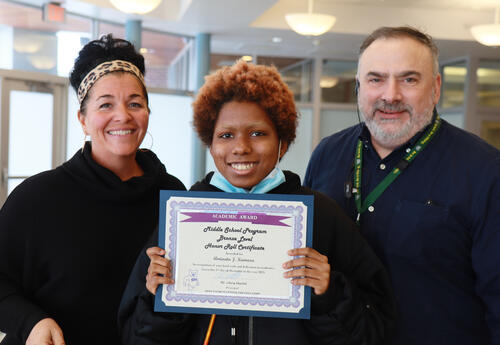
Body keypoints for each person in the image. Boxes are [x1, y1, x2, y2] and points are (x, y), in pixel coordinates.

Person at [118, 60, 396, 345]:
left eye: (258, 133)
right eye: (226, 135)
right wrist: (157, 298)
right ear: (210, 144)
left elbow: (374, 330)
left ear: (283, 143)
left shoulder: (322, 217)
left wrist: (329, 292)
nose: (241, 147)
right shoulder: (182, 219)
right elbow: (136, 338)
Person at [304, 26, 500, 345]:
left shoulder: (485, 171)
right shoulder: (327, 154)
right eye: (375, 79)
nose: (390, 95)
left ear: (435, 88)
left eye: (409, 79)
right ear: (358, 86)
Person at [0, 34, 185, 345]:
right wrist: (31, 322)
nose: (123, 115)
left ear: (148, 114)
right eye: (105, 104)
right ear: (83, 119)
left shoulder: (174, 198)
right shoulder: (38, 197)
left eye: (135, 103)